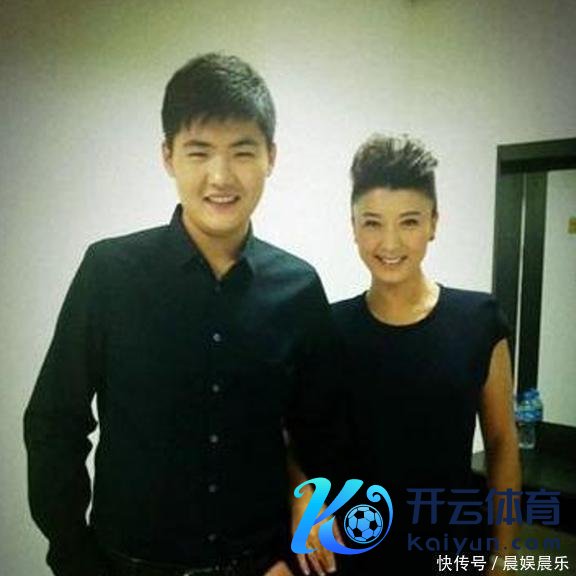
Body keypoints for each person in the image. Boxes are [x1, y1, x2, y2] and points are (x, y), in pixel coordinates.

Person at [24, 53, 341, 576]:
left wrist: (293, 545)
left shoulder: (299, 288)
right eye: (199, 152)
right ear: (168, 156)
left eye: (242, 152)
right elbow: (55, 423)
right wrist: (74, 555)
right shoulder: (110, 272)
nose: (221, 176)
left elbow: (322, 435)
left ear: (271, 157)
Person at [331, 135, 521, 574]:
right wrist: (308, 505)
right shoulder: (329, 328)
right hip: (357, 549)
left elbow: (501, 441)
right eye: (372, 222)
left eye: (410, 222)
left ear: (434, 223)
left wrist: (504, 554)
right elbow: (301, 440)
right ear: (353, 226)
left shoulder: (478, 320)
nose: (390, 243)